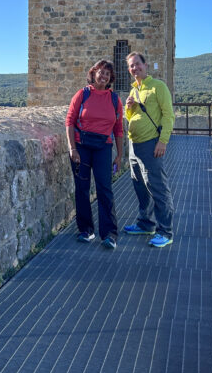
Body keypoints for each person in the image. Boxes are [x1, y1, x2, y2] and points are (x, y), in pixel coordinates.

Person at [66, 59, 124, 249]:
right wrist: (72, 148)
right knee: (82, 188)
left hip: (103, 147)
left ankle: (109, 234)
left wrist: (119, 154)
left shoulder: (115, 100)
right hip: (81, 146)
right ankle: (86, 230)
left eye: (107, 74)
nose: (103, 76)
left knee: (104, 189)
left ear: (110, 79)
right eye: (101, 72)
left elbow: (118, 129)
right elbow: (70, 121)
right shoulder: (82, 94)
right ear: (93, 73)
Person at [123, 52, 175, 247]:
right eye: (131, 66)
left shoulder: (158, 87)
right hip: (133, 144)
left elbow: (168, 115)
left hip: (151, 143)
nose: (134, 68)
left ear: (146, 65)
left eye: (137, 64)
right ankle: (146, 223)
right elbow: (131, 118)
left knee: (157, 186)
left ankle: (166, 231)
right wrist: (129, 108)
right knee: (140, 185)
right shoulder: (134, 90)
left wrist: (163, 141)